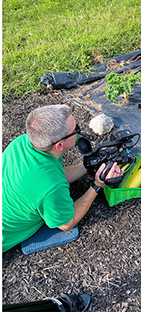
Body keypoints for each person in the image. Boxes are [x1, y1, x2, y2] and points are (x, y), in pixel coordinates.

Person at [2, 105, 122, 253]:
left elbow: (55, 175)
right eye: (76, 130)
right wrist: (97, 185)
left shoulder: (20, 143)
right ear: (59, 145)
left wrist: (89, 164)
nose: (79, 131)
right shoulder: (50, 187)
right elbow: (67, 224)